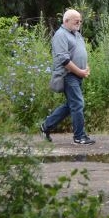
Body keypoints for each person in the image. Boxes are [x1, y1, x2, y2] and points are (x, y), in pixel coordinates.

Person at [40, 9, 95, 145]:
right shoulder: (60, 35)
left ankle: (46, 126)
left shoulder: (76, 34)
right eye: (76, 21)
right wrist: (79, 72)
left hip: (77, 75)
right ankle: (79, 137)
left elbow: (80, 52)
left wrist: (85, 67)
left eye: (80, 21)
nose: (79, 23)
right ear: (66, 21)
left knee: (71, 105)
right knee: (77, 103)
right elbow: (64, 60)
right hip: (68, 75)